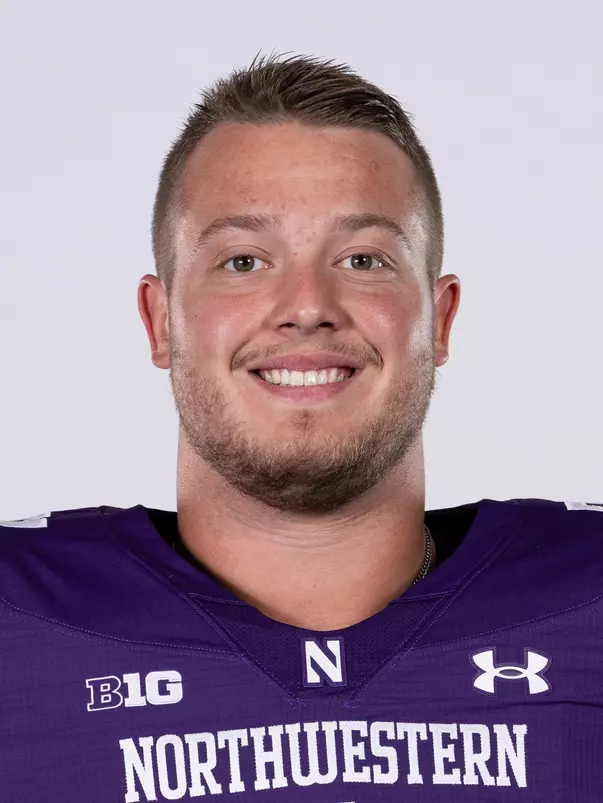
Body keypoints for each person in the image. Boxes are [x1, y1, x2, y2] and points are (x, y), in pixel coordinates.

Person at [0, 52, 601, 803]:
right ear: (161, 320)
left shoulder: (586, 599)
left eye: (362, 257)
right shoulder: (18, 616)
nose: (307, 303)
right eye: (243, 259)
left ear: (438, 318)